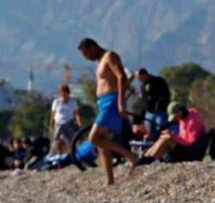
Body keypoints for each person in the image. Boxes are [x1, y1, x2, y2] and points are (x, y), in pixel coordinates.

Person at [77, 37, 138, 185]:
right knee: (102, 143)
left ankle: (130, 155)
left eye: (87, 54)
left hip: (112, 102)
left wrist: (120, 104)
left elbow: (121, 77)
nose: (87, 58)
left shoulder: (110, 56)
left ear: (93, 47)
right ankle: (109, 179)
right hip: (103, 103)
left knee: (93, 137)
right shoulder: (100, 61)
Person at [142, 102, 208, 162]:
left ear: (180, 112)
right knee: (164, 137)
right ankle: (146, 158)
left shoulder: (192, 122)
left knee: (166, 139)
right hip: (186, 148)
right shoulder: (186, 115)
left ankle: (147, 160)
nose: (174, 119)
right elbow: (183, 138)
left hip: (192, 152)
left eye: (174, 116)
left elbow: (189, 143)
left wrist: (173, 136)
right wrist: (171, 135)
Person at [136, 68, 172, 140]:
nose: (139, 80)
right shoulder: (142, 86)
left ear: (144, 75)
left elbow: (166, 95)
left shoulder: (159, 81)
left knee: (161, 128)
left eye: (140, 78)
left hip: (160, 111)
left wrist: (155, 99)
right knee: (150, 130)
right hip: (149, 112)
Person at [48, 84, 82, 155]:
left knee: (72, 140)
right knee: (57, 141)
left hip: (69, 123)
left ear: (68, 93)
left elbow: (77, 114)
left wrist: (79, 124)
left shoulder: (73, 101)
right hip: (58, 123)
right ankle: (58, 154)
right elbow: (52, 115)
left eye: (64, 92)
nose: (63, 94)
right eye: (61, 92)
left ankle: (74, 155)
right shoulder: (56, 102)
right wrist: (51, 125)